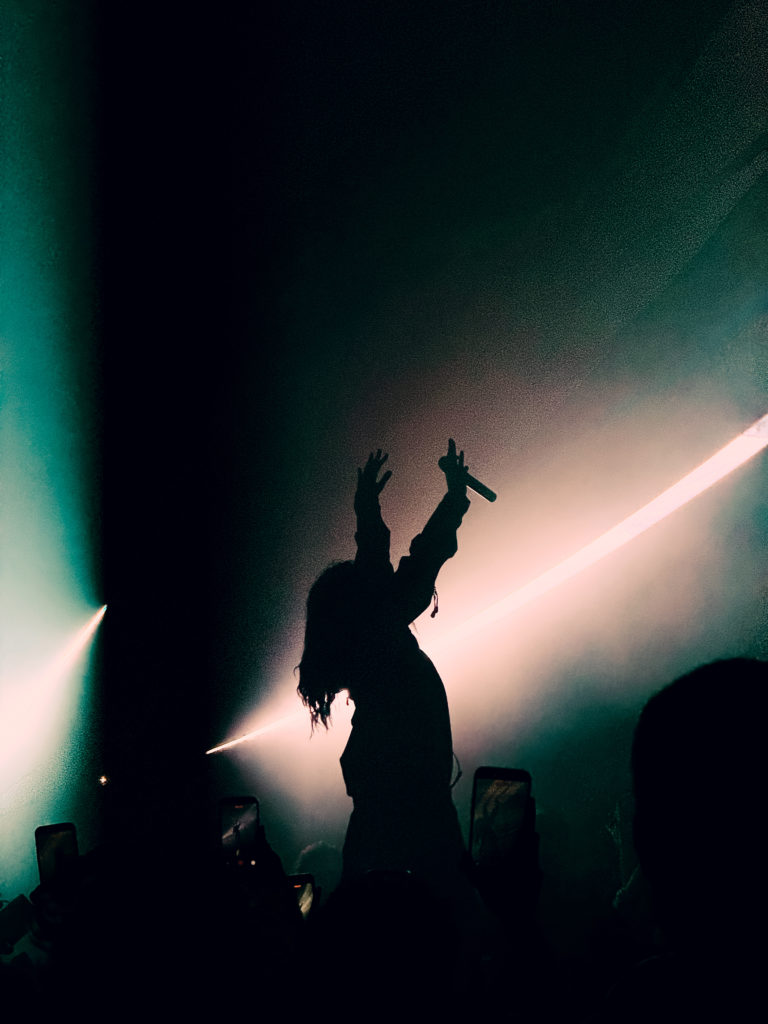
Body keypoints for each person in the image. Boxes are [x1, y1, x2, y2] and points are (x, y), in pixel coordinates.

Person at [297, 440, 472, 890]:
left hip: (384, 828)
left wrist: (369, 509)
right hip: (417, 827)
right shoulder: (380, 637)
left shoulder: (367, 649)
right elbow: (409, 562)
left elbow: (390, 564)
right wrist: (451, 498)